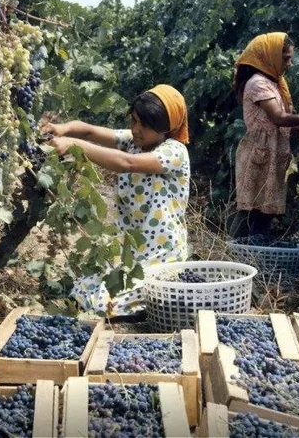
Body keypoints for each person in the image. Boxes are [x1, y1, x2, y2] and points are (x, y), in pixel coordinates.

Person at [44, 85, 191, 317]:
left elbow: (127, 163)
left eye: (145, 125)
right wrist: (64, 128)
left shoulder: (174, 152)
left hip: (161, 253)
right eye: (134, 121)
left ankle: (150, 304)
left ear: (167, 128)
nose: (136, 129)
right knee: (82, 290)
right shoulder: (133, 141)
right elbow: (91, 131)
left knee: (107, 305)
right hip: (130, 252)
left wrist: (74, 146)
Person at [229, 32, 299, 239]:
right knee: (249, 210)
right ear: (270, 55)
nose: (290, 63)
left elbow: (277, 126)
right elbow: (278, 118)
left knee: (265, 212)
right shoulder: (258, 83)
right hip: (259, 155)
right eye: (286, 58)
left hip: (272, 154)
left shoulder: (274, 83)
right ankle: (231, 253)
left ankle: (255, 259)